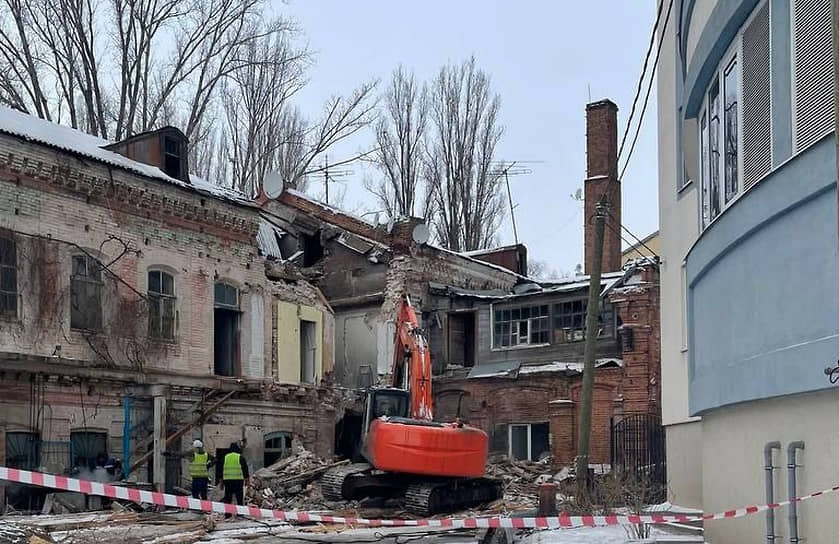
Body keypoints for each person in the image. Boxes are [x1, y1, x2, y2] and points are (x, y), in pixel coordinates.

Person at [220, 442, 249, 507]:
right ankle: (240, 513)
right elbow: (245, 469)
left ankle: (227, 514)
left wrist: (221, 483)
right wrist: (247, 480)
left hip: (227, 481)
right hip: (238, 481)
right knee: (239, 498)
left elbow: (221, 470)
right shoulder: (240, 457)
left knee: (228, 498)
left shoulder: (225, 457)